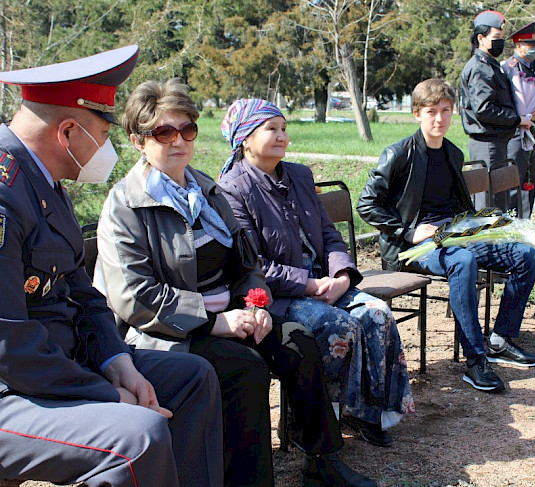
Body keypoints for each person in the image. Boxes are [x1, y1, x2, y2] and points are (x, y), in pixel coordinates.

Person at [94, 80, 376, 487]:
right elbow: (135, 297)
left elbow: (246, 261)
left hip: (231, 313)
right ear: (139, 141)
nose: (178, 140)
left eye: (187, 129)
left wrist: (257, 304)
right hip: (172, 332)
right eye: (163, 132)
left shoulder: (205, 190)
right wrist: (214, 323)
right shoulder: (125, 205)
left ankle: (322, 461)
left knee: (298, 340)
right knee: (245, 368)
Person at [0, 46, 224, 486]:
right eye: (103, 134)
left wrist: (117, 362)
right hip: (13, 387)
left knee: (193, 377)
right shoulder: (6, 195)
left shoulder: (45, 182)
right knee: (138, 437)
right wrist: (105, 392)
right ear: (68, 132)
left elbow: (84, 296)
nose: (108, 148)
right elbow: (8, 343)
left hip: (58, 365)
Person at [218, 98, 414, 449]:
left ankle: (365, 412)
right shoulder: (233, 189)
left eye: (284, 128)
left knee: (378, 314)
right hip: (278, 295)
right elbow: (252, 264)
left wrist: (342, 277)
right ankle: (307, 421)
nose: (282, 136)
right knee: (338, 326)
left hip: (327, 282)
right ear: (245, 139)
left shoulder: (300, 175)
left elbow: (328, 234)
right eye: (271, 129)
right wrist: (308, 285)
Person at [357, 78, 535, 393]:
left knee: (527, 255)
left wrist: (484, 226)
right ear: (417, 113)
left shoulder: (453, 154)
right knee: (463, 261)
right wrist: (409, 232)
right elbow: (366, 204)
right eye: (431, 111)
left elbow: (461, 207)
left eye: (445, 110)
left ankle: (500, 340)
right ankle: (476, 360)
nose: (439, 118)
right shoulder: (398, 154)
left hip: (455, 238)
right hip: (415, 247)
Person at [460, 10, 535, 211]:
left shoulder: (491, 66)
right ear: (481, 38)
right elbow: (484, 110)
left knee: (499, 203)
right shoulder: (480, 68)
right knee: (488, 205)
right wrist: (517, 119)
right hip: (487, 144)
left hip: (497, 143)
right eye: (496, 38)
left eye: (502, 37)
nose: (500, 42)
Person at [503, 21, 535, 218]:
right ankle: (511, 219)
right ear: (518, 45)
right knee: (514, 177)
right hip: (515, 132)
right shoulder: (509, 68)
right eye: (530, 45)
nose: (534, 48)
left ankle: (526, 219)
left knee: (531, 176)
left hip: (533, 130)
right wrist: (521, 118)